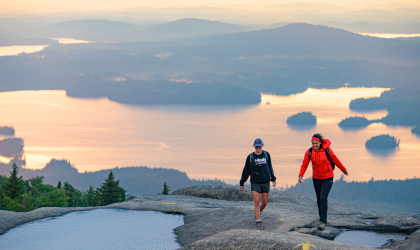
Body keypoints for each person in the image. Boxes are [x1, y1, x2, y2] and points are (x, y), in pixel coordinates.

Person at [298, 133, 348, 230]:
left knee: (323, 197)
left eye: (316, 143)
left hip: (327, 177)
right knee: (318, 198)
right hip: (316, 177)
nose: (314, 145)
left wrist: (343, 170)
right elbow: (304, 164)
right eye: (313, 143)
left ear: (320, 142)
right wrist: (301, 175)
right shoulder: (309, 152)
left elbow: (335, 160)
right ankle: (322, 216)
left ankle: (322, 222)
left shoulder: (327, 150)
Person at [240, 138, 277, 230]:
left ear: (262, 146)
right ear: (254, 146)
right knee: (257, 202)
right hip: (255, 182)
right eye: (256, 147)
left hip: (265, 182)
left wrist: (273, 178)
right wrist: (242, 182)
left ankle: (257, 214)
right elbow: (246, 170)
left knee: (264, 203)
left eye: (259, 147)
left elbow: (270, 167)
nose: (258, 149)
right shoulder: (250, 157)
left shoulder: (266, 155)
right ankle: (258, 221)